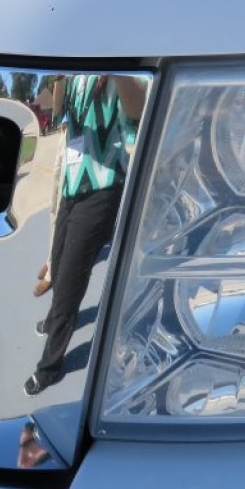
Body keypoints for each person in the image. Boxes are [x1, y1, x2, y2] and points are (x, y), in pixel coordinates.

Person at [24, 74, 144, 396]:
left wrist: (116, 65)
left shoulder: (121, 73)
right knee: (58, 264)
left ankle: (49, 367)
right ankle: (54, 320)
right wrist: (61, 77)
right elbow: (57, 110)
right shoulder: (77, 73)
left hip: (100, 190)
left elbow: (137, 112)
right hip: (72, 185)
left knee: (70, 285)